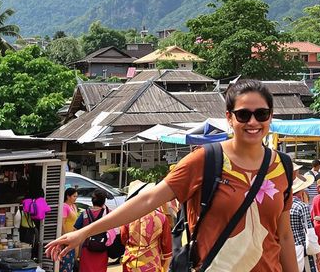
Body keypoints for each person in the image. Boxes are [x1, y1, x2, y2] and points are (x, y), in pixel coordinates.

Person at [45, 79, 299, 272]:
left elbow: (284, 235)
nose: (253, 121)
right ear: (229, 118)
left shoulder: (282, 166)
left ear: (270, 116)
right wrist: (84, 232)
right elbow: (147, 200)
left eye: (261, 114)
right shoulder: (206, 160)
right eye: (243, 114)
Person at [120, 183, 172, 272]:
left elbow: (123, 238)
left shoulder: (127, 216)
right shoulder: (162, 218)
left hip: (131, 262)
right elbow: (166, 245)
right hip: (152, 262)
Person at [74, 191, 111, 272]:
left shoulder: (84, 214)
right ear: (104, 201)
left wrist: (76, 254)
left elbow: (75, 230)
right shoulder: (109, 214)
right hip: (102, 249)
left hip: (86, 249)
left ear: (92, 200)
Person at [290, 174, 319, 272]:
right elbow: (309, 230)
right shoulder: (301, 206)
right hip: (302, 246)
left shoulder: (283, 205)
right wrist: (317, 251)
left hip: (288, 246)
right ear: (300, 191)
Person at [59, 188, 80, 272]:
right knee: (66, 262)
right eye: (74, 196)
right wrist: (65, 237)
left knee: (72, 262)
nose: (76, 198)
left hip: (73, 237)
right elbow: (62, 224)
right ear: (68, 196)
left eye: (76, 196)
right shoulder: (64, 206)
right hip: (67, 238)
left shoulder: (74, 206)